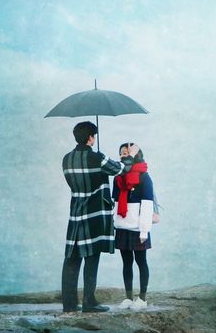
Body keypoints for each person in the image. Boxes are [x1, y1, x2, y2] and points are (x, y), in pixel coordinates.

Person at [61, 122, 140, 313]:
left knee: (71, 258)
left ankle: (69, 305)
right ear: (90, 138)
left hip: (75, 213)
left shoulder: (67, 159)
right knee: (92, 256)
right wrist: (130, 156)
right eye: (93, 136)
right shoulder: (97, 157)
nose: (94, 139)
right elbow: (121, 169)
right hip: (95, 214)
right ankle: (89, 302)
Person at [112, 143, 154, 310]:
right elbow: (115, 203)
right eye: (121, 153)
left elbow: (147, 205)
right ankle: (128, 298)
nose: (123, 156)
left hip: (138, 227)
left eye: (127, 153)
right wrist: (112, 224)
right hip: (123, 225)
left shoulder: (144, 177)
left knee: (141, 261)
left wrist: (145, 229)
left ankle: (142, 298)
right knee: (126, 262)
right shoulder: (118, 178)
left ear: (135, 155)